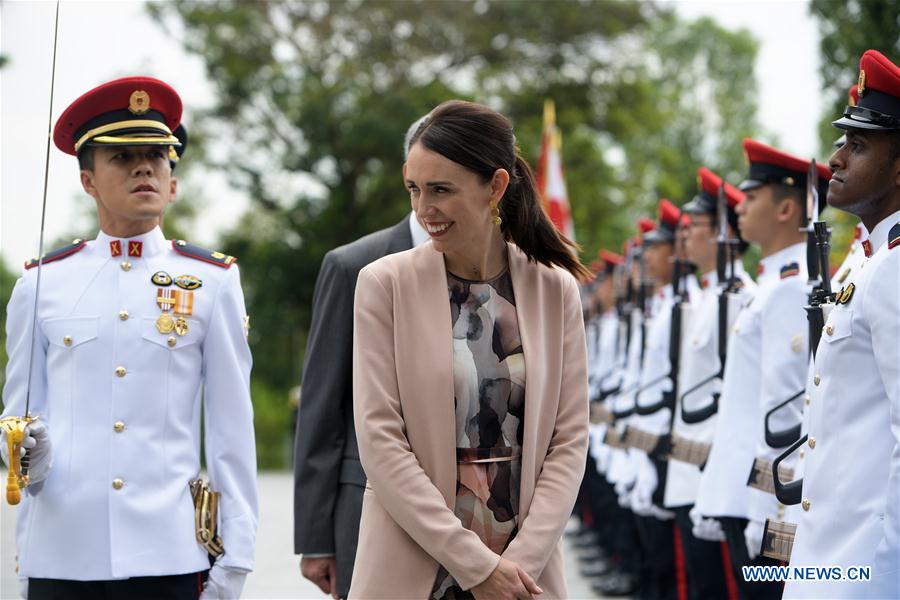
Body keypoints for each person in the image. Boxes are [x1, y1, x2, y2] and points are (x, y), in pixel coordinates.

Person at [0, 76, 258, 599]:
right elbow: (18, 422)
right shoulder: (41, 283)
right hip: (64, 553)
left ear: (173, 182)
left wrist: (235, 561)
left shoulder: (212, 282)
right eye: (122, 156)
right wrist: (27, 449)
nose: (144, 166)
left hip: (170, 553)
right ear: (88, 181)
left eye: (157, 156)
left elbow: (232, 431)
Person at [349, 100, 590, 599]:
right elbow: (380, 441)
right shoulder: (382, 285)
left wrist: (518, 566)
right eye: (414, 189)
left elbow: (568, 442)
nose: (422, 210)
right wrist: (475, 566)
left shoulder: (555, 289)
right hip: (413, 559)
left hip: (525, 572)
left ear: (495, 187)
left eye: (441, 190)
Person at [293, 116, 429, 599]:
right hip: (366, 508)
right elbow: (322, 404)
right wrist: (314, 537)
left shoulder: (503, 274)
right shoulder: (353, 266)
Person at [784, 48, 900, 599]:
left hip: (864, 569)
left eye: (857, 146)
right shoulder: (868, 259)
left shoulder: (895, 267)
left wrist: (882, 576)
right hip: (829, 556)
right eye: (842, 142)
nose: (835, 159)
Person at [695, 138, 829, 600]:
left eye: (751, 199)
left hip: (760, 497)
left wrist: (768, 510)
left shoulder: (789, 289)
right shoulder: (774, 283)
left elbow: (786, 413)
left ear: (787, 209)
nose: (740, 209)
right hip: (741, 483)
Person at [665, 167, 754, 599]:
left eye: (693, 227)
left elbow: (739, 399)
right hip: (690, 461)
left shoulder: (739, 297)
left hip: (711, 467)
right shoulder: (707, 297)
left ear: (723, 233)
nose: (683, 239)